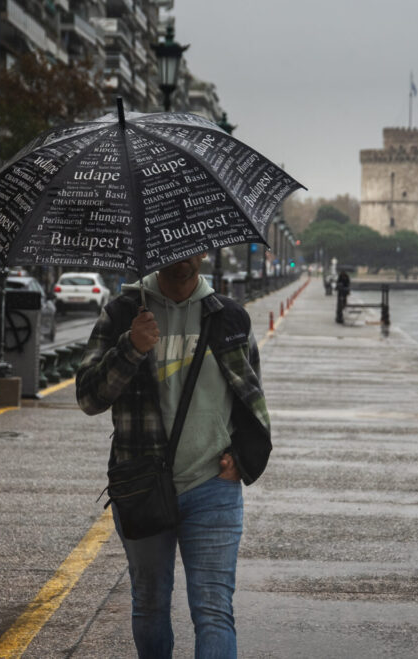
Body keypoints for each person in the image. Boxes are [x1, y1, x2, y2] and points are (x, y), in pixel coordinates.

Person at [75, 252, 271, 659]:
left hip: (213, 486)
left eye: (193, 247)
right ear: (155, 251)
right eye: (172, 250)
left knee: (215, 610)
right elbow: (88, 397)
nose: (183, 257)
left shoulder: (229, 317)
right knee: (149, 605)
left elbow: (251, 397)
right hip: (142, 484)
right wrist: (130, 346)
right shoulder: (123, 313)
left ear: (205, 250)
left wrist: (243, 456)